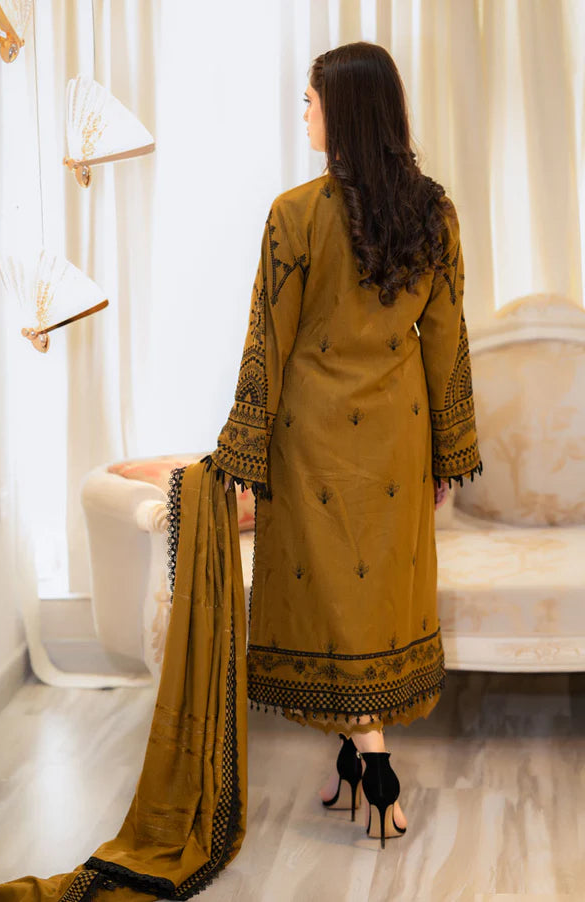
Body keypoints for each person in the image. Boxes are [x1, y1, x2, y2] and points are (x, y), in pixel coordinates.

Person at [207, 40, 483, 848]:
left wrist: (244, 451)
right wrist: (446, 450)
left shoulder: (294, 215)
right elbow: (447, 341)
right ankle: (351, 767)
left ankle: (377, 765)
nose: (303, 113)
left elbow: (268, 341)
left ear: (346, 111)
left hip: (312, 444)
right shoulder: (434, 213)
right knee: (364, 602)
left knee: (333, 598)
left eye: (311, 100)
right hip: (397, 441)